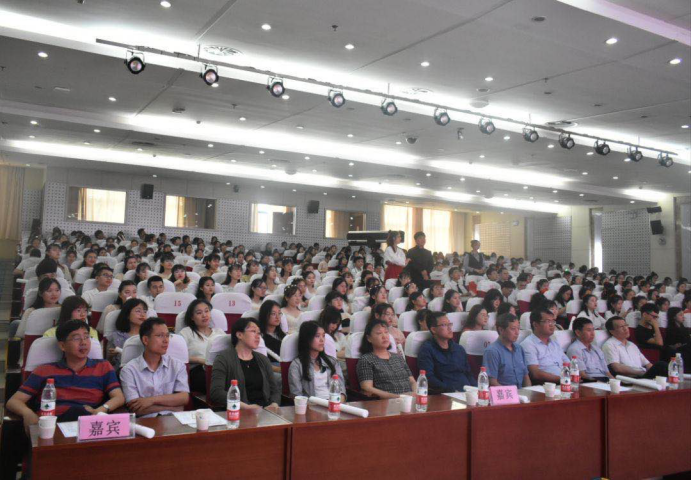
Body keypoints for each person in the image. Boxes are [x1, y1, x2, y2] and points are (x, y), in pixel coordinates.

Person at [7, 320, 125, 430]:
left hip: (88, 424)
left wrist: (100, 410)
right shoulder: (44, 370)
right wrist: (28, 413)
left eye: (86, 337)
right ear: (62, 346)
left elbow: (119, 397)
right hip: (53, 425)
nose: (83, 342)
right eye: (76, 338)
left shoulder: (103, 366)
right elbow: (13, 401)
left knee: (80, 413)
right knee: (76, 412)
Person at [120, 318, 190, 417]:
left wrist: (150, 400)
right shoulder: (129, 370)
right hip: (145, 422)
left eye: (167, 335)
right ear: (145, 340)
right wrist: (173, 407)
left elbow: (184, 398)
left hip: (173, 421)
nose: (166, 340)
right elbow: (135, 408)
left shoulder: (177, 365)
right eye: (160, 335)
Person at [209, 318, 280, 409]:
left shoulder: (263, 359)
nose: (258, 336)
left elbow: (275, 390)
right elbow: (216, 392)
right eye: (253, 331)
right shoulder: (223, 359)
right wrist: (245, 407)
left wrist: (274, 404)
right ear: (239, 335)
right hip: (238, 410)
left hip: (265, 410)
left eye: (259, 333)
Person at [417, 312, 476, 393]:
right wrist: (451, 390)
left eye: (450, 324)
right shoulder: (427, 350)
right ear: (433, 329)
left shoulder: (459, 349)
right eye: (444, 325)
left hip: (467, 392)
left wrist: (476, 389)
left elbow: (468, 374)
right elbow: (429, 378)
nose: (449, 328)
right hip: (447, 394)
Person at [357, 320, 416, 399]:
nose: (384, 336)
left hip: (409, 400)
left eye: (386, 332)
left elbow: (412, 381)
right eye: (379, 333)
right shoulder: (366, 359)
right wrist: (398, 397)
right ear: (369, 338)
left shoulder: (398, 357)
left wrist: (415, 394)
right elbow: (367, 388)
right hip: (386, 403)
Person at [288, 321, 346, 400]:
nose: (322, 340)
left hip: (334, 403)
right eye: (317, 336)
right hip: (312, 405)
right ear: (307, 339)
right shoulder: (297, 365)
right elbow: (297, 396)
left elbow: (342, 390)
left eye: (323, 336)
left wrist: (337, 403)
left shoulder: (332, 362)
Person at [179, 299, 226, 393]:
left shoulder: (219, 332)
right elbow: (179, 357)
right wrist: (200, 360)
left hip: (220, 369)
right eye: (199, 313)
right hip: (197, 371)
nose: (204, 315)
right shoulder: (186, 333)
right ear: (192, 317)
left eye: (207, 311)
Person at [602, 317, 668, 379]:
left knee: (662, 368)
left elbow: (648, 364)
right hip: (630, 379)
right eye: (621, 327)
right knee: (661, 365)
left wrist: (653, 371)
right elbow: (616, 368)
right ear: (612, 331)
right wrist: (641, 372)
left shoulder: (632, 345)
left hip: (643, 375)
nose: (625, 329)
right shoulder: (609, 345)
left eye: (626, 325)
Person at [521, 309, 570, 384]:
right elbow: (535, 374)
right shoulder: (528, 344)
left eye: (553, 321)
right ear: (535, 325)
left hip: (566, 382)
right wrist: (563, 379)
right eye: (548, 321)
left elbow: (568, 364)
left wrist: (574, 376)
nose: (552, 325)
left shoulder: (554, 343)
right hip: (548, 386)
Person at [483, 313, 531, 389]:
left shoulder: (519, 349)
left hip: (521, 393)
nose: (517, 333)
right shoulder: (492, 351)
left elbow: (526, 376)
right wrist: (512, 393)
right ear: (501, 330)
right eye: (513, 329)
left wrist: (529, 391)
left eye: (518, 328)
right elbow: (492, 382)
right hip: (504, 393)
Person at [567, 318, 613, 382]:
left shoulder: (597, 349)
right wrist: (599, 382)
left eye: (593, 330)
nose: (593, 334)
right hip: (590, 381)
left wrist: (615, 382)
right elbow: (582, 375)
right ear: (578, 332)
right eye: (589, 330)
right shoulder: (575, 349)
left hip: (605, 380)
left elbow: (607, 373)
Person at [108, 299, 149, 366]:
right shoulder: (116, 336)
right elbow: (109, 364)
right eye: (138, 311)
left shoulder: (150, 335)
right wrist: (111, 356)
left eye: (145, 311)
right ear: (127, 315)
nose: (143, 315)